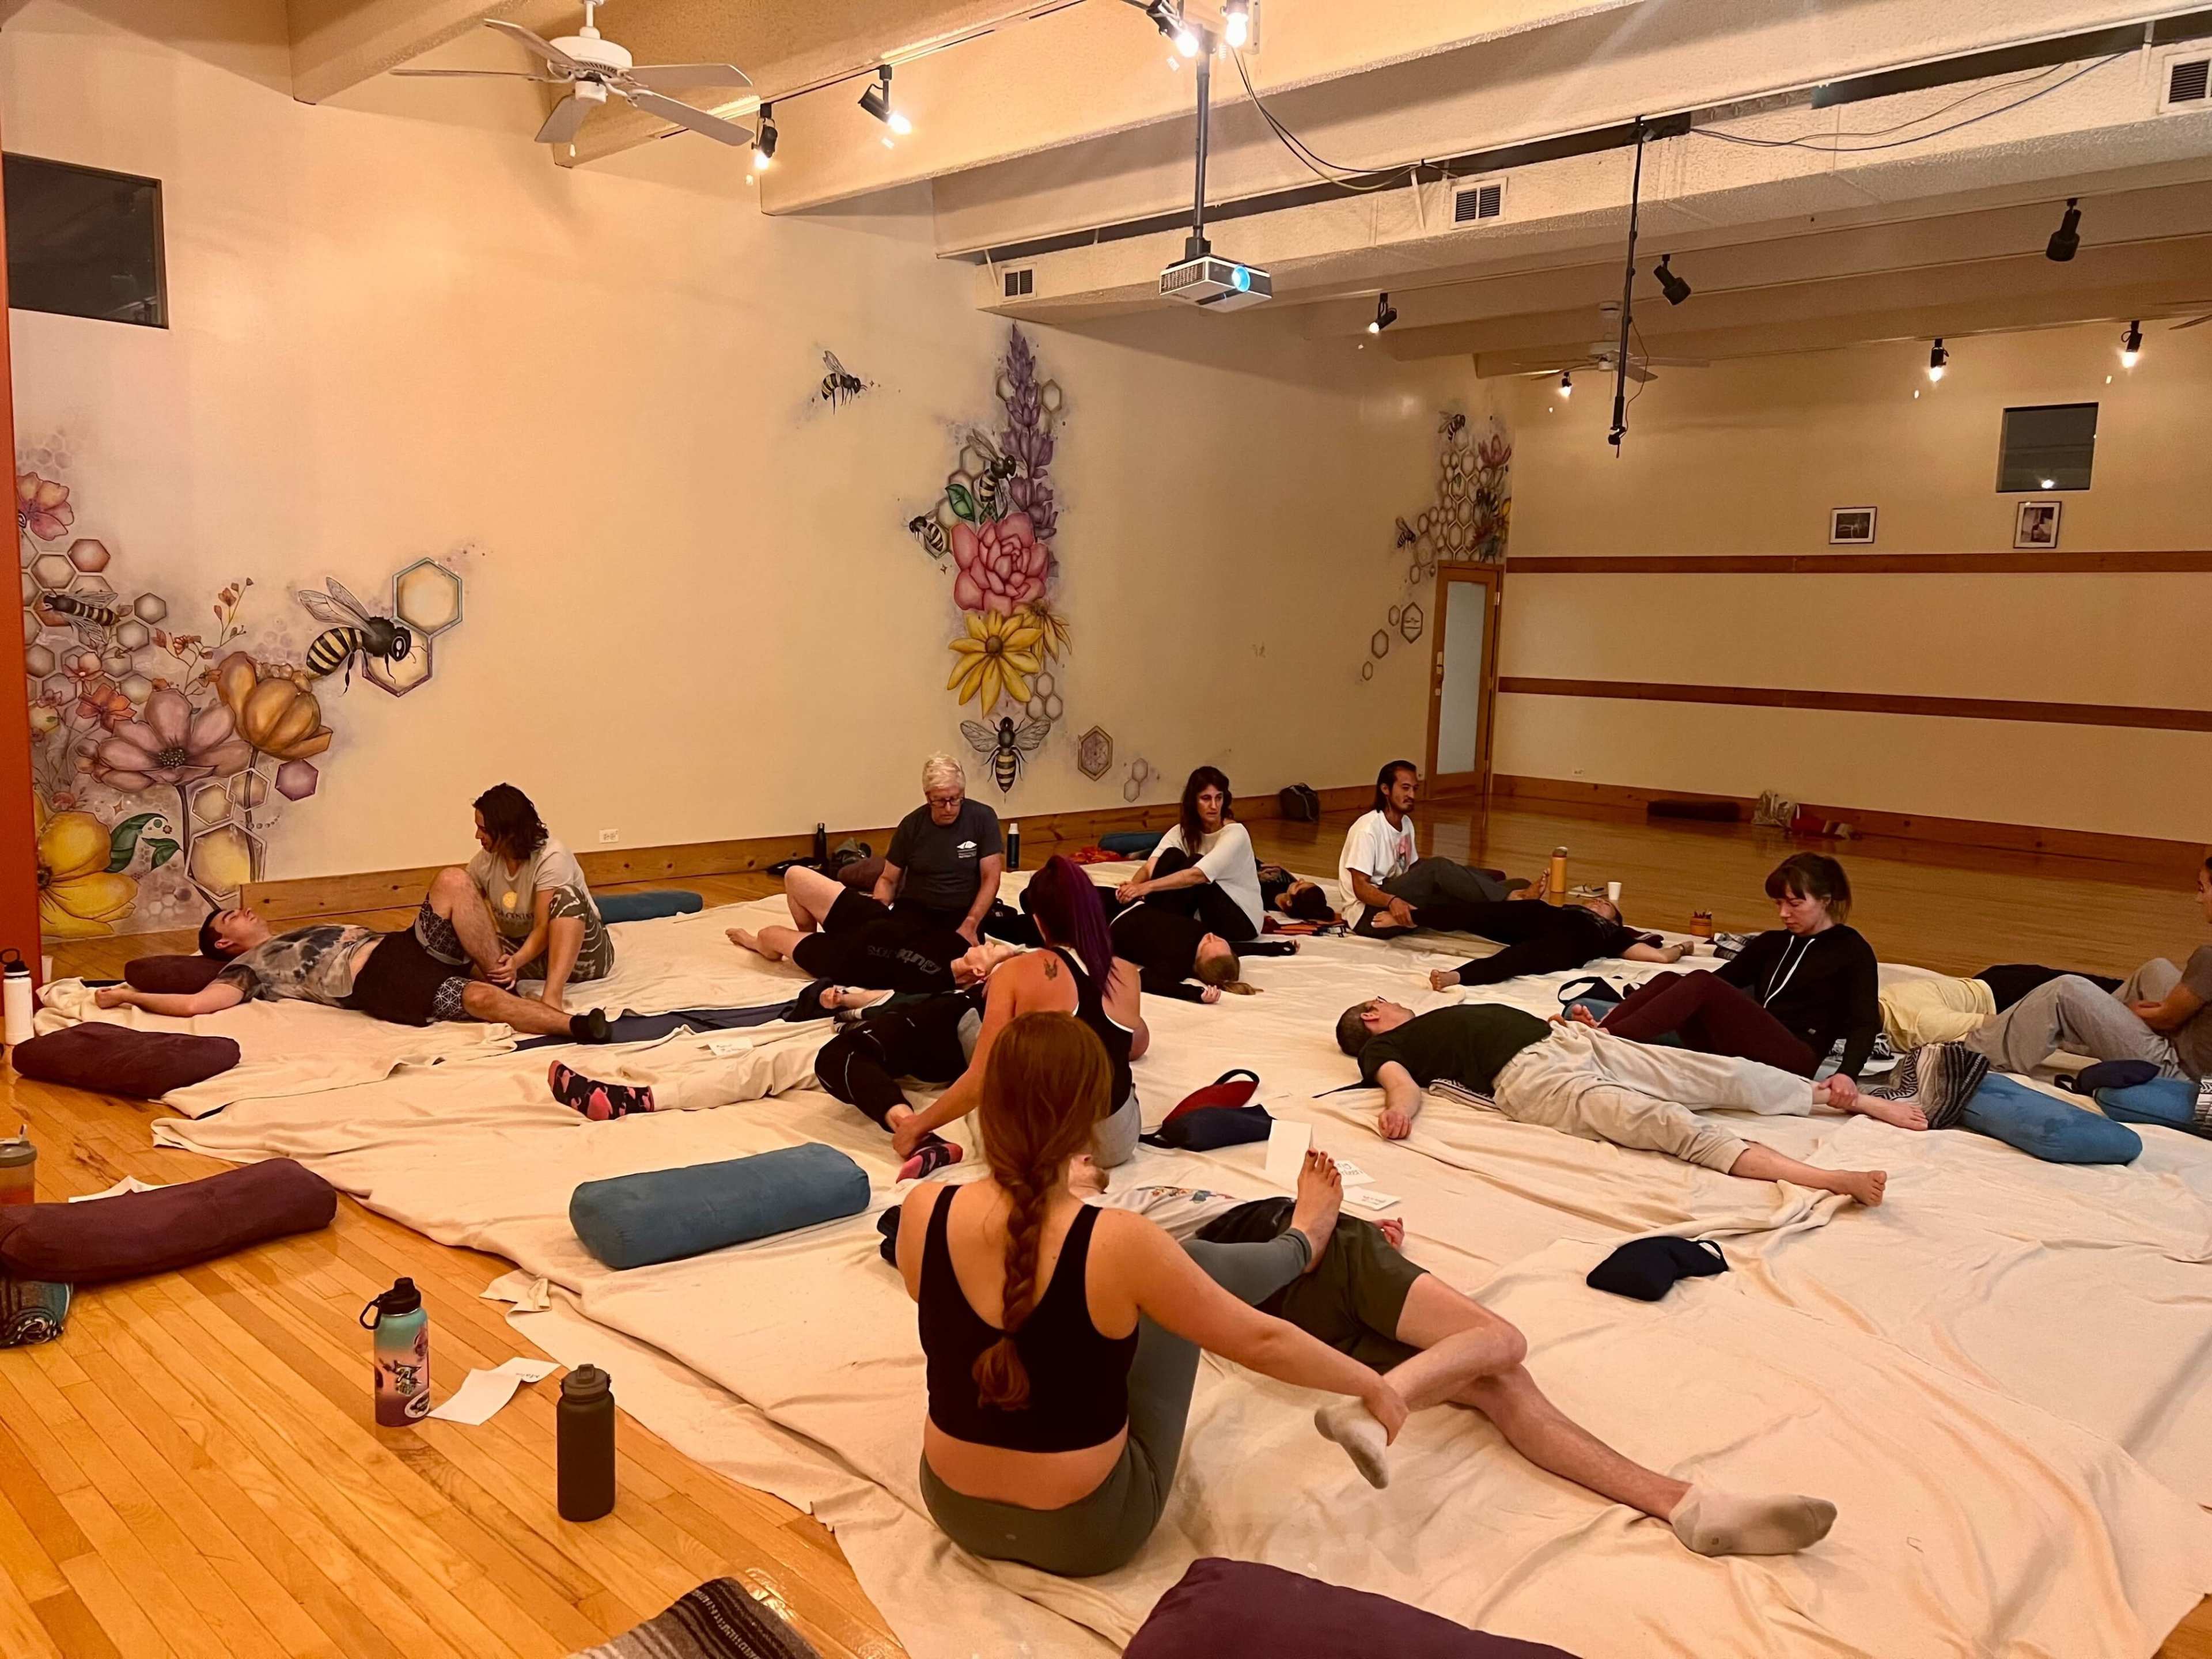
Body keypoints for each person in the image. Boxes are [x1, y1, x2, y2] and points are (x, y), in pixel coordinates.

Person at [1070, 1161, 1839, 1558]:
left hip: (1269, 1295)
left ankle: (1681, 1505)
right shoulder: (1108, 1224)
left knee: (1497, 1383)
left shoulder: (1114, 1219)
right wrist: (1326, 1219)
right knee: (1504, 1342)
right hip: (1301, 1250)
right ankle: (1379, 1406)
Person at [893, 1011, 1408, 1578]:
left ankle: (1298, 1245)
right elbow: (1259, 1339)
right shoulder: (1119, 1242)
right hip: (1089, 1533)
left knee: (1135, 1291)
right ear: (1090, 1118)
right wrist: (1373, 1386)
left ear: (985, 1104)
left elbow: (974, 1322)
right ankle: (1302, 1244)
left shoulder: (923, 1210)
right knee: (1175, 1286)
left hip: (955, 1509)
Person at [1336, 997, 1921, 1205]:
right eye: (1384, 1002)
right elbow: (1401, 1083)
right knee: (1664, 1121)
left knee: (1717, 1075)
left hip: (1570, 1042)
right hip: (1530, 1079)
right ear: (1371, 1017)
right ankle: (1823, 1177)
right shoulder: (1387, 1044)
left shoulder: (1434, 1021)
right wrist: (1399, 1112)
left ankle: (1843, 1100)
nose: (1395, 1005)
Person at [892, 855, 1147, 1169]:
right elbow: (1133, 1044)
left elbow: (981, 1079)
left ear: (1038, 921)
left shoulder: (1015, 972)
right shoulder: (1127, 972)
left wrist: (917, 1126)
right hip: (1118, 1141)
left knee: (972, 1028)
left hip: (1050, 1145)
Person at [93, 901, 612, 1041]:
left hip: (403, 947)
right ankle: (567, 1025)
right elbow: (193, 1005)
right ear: (225, 942)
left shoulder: (295, 931)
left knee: (454, 881)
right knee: (478, 1001)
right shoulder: (250, 968)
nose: (244, 910)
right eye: (232, 916)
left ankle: (510, 979)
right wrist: (126, 998)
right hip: (379, 980)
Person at [1593, 854, 1880, 1082]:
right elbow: (1712, 985)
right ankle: (1603, 1029)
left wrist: (1847, 1075)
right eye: (1779, 903)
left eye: (1794, 903)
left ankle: (1606, 1040)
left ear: (1826, 900)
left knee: (1701, 983)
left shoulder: (1851, 950)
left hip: (1797, 1057)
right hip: (1751, 1046)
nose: (1784, 913)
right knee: (1673, 978)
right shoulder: (1773, 943)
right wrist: (1626, 1007)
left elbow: (1864, 1022)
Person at [1961, 855, 2212, 1082]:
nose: (2198, 899)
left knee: (2066, 990)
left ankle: (1973, 1057)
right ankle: (2083, 1032)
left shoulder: (2209, 958)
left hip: (2182, 1076)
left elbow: (2166, 1019)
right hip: (2197, 1055)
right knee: (2156, 970)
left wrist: (2130, 1012)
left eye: (2203, 889)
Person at [728, 863, 1017, 996]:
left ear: (980, 973)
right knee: (794, 875)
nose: (987, 945)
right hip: (871, 918)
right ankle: (808, 933)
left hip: (844, 957)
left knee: (768, 936)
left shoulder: (936, 988)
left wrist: (841, 999)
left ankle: (762, 944)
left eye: (991, 952)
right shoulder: (961, 945)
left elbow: (877, 1001)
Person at [463, 783, 613, 1011]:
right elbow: (465, 900)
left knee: (567, 896)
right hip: (530, 953)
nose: (477, 835)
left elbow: (544, 927)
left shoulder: (551, 856)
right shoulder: (485, 861)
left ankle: (552, 997)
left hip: (584, 958)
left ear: (508, 831)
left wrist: (516, 961)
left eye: (483, 829)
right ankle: (509, 996)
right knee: (460, 950)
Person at [1338, 761, 1526, 937]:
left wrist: (1457, 876)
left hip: (1398, 897)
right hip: (1368, 915)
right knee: (1438, 868)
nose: (1412, 795)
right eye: (1405, 788)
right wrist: (1392, 902)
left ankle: (1516, 891)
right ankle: (1508, 898)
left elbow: (1411, 869)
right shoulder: (1367, 829)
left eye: (1414, 789)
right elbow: (1360, 888)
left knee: (1473, 879)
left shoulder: (1406, 824)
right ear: (1385, 789)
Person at [1423, 878, 1688, 991]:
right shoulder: (1566, 909)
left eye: (1606, 906)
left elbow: (1660, 957)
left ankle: (1456, 977)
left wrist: (1684, 948)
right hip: (1540, 917)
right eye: (1596, 901)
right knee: (1481, 913)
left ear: (1614, 922)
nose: (1598, 903)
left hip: (1567, 943)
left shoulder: (1609, 933)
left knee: (1517, 958)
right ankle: (1414, 916)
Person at [1113, 767, 1264, 942]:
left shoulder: (1236, 833)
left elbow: (1198, 875)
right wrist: (1132, 887)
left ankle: (1155, 922)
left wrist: (1146, 888)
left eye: (1219, 798)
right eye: (1206, 798)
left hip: (1242, 922)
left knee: (1195, 863)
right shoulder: (1183, 831)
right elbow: (1150, 867)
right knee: (1172, 855)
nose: (1214, 806)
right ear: (1194, 801)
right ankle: (1150, 918)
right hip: (1205, 912)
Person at [874, 754, 1003, 944]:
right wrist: (877, 911)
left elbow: (991, 878)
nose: (949, 808)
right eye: (940, 801)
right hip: (917, 909)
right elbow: (888, 880)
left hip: (964, 912)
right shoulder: (912, 825)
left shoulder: (983, 818)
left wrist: (971, 923)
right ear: (928, 798)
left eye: (955, 799)